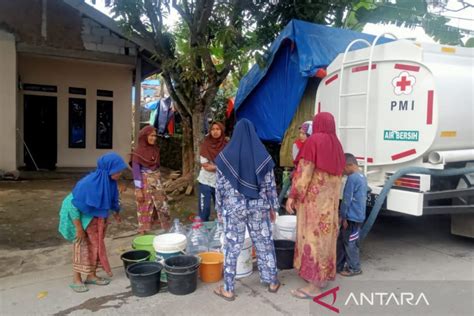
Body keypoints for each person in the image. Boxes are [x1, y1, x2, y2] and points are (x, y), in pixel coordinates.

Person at [213, 119, 280, 301]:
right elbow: (270, 185)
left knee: (231, 247)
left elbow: (219, 188)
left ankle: (228, 289)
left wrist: (219, 209)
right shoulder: (262, 156)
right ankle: (272, 281)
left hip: (233, 209)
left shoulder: (225, 158)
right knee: (264, 243)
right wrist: (273, 207)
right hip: (259, 207)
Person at [285, 112, 345, 299]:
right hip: (330, 205)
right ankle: (321, 277)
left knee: (312, 240)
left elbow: (304, 173)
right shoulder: (337, 144)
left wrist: (292, 195)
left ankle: (314, 286)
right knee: (325, 241)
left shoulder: (314, 141)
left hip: (313, 204)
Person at [58, 152, 128, 293]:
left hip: (96, 220)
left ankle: (91, 275)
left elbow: (113, 200)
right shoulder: (87, 184)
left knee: (95, 247)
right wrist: (78, 228)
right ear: (108, 169)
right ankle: (76, 279)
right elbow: (72, 205)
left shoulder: (111, 183)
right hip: (79, 219)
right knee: (81, 247)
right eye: (118, 170)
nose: (120, 173)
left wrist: (116, 213)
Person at [131, 126, 170, 233]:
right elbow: (136, 172)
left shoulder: (155, 150)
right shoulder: (137, 152)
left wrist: (159, 181)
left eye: (155, 136)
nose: (154, 138)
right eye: (151, 135)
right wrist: (138, 189)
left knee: (162, 207)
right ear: (144, 137)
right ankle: (144, 235)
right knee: (145, 208)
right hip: (144, 184)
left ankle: (162, 233)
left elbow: (157, 167)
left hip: (157, 183)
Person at [337, 153, 367, 276]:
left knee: (350, 243)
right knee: (343, 241)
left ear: (349, 165)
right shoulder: (362, 176)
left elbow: (346, 199)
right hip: (358, 215)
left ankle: (355, 268)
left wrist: (343, 216)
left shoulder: (352, 178)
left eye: (343, 168)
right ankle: (338, 265)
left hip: (351, 217)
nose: (342, 171)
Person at [197, 122, 227, 221]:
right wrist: (220, 167)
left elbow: (230, 162)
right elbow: (205, 165)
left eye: (218, 129)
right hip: (206, 180)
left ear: (222, 131)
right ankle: (202, 231)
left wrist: (214, 166)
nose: (215, 131)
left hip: (221, 182)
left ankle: (221, 231)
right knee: (204, 209)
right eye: (213, 129)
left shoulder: (227, 145)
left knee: (222, 209)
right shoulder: (206, 144)